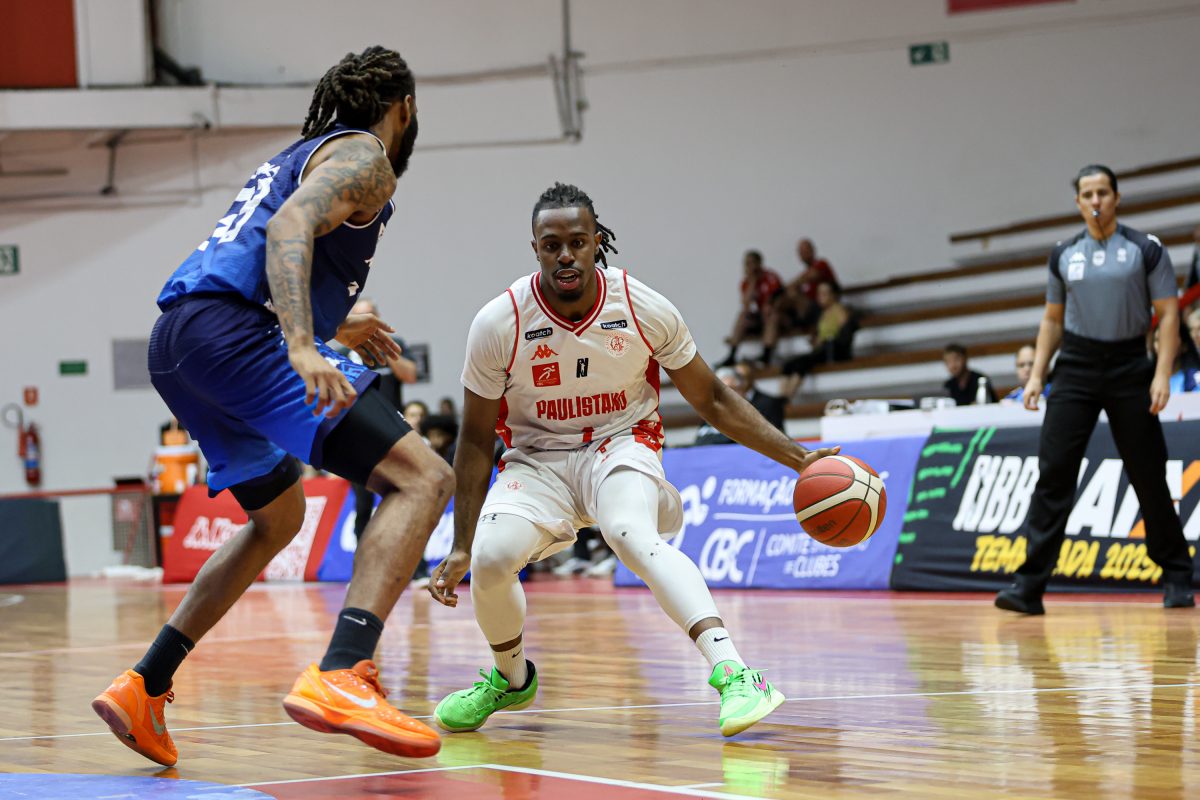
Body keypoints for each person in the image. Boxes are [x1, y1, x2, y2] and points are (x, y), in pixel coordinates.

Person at [91, 47, 453, 766]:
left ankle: (145, 684)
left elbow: (260, 251)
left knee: (279, 518)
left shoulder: (303, 152)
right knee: (423, 478)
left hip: (180, 342)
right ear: (405, 108)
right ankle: (344, 671)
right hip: (235, 336)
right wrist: (301, 344)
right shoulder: (366, 156)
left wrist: (329, 326)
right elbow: (289, 229)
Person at [427, 182, 837, 737]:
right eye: (552, 245)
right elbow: (475, 438)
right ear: (535, 249)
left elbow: (713, 399)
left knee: (629, 533)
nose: (566, 255)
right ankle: (510, 679)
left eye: (578, 242)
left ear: (598, 241)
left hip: (619, 443)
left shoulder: (641, 306)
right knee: (491, 557)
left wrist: (799, 458)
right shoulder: (500, 322)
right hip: (537, 459)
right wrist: (460, 544)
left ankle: (736, 673)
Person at [995, 164, 1195, 615]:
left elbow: (1168, 314)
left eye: (1103, 192)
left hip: (1129, 364)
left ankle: (1177, 574)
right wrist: (1037, 374)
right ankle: (1028, 587)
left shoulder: (1145, 248)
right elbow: (1051, 319)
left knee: (1148, 472)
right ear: (1078, 202)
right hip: (1076, 367)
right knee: (1054, 474)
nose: (1096, 200)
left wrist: (1161, 373)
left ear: (1116, 198)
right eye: (1087, 194)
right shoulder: (1063, 253)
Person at [335, 297, 418, 541]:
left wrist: (383, 349)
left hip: (394, 433)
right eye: (358, 316)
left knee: (404, 493)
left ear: (377, 318)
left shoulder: (395, 345)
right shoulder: (342, 354)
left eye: (368, 315)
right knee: (362, 503)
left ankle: (416, 560)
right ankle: (361, 560)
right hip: (357, 436)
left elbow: (411, 375)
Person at [779, 280, 856, 399]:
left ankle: (785, 399)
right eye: (819, 293)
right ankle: (780, 397)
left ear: (834, 295)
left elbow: (845, 335)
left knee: (802, 364)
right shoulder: (823, 313)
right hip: (822, 349)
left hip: (833, 351)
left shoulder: (840, 311)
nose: (820, 297)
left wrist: (825, 341)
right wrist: (816, 340)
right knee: (788, 365)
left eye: (824, 293)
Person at [718, 250, 783, 367]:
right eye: (747, 264)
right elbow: (746, 305)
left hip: (774, 317)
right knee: (742, 316)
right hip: (759, 319)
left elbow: (780, 298)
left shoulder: (771, 277)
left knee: (772, 315)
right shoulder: (746, 283)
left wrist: (769, 306)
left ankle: (766, 356)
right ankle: (732, 355)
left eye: (752, 263)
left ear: (759, 263)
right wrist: (753, 282)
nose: (750, 267)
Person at [694, 364, 786, 446]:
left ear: (742, 390)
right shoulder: (711, 414)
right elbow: (699, 442)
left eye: (731, 389)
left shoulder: (753, 414)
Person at [778, 237, 838, 331]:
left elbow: (810, 276)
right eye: (801, 252)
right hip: (809, 309)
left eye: (806, 251)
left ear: (813, 250)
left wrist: (789, 286)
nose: (803, 255)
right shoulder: (804, 273)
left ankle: (800, 323)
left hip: (821, 307)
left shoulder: (821, 264)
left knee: (791, 292)